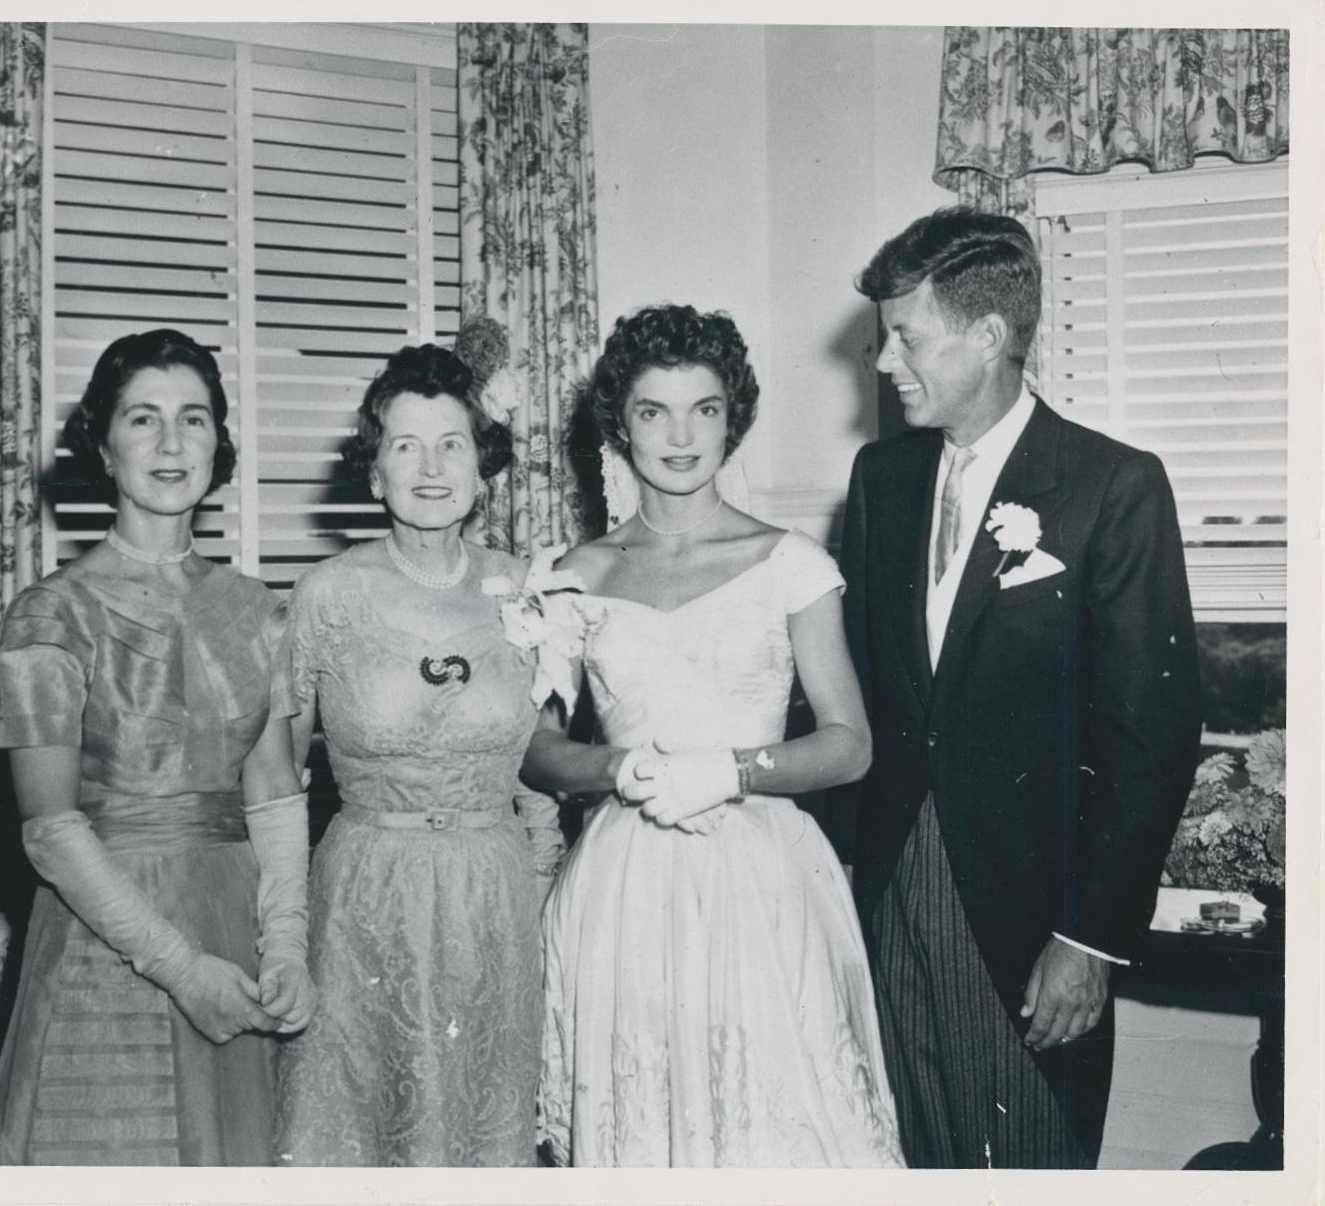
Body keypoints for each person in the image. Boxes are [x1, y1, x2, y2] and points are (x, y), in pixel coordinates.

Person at [842, 207, 1201, 1168]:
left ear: (989, 336)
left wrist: (1090, 937)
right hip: (889, 894)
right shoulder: (879, 479)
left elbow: (1151, 736)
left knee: (1028, 1154)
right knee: (908, 1150)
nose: (883, 363)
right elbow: (862, 699)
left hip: (1032, 914)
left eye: (904, 337)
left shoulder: (1113, 486)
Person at [524, 304, 904, 1168]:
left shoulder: (791, 562)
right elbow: (537, 750)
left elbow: (850, 743)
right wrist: (620, 769)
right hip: (626, 885)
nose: (681, 435)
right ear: (621, 423)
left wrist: (730, 770)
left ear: (734, 418)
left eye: (705, 409)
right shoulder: (573, 575)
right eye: (654, 411)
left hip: (762, 879)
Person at [0, 329, 315, 1165]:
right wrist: (181, 969)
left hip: (236, 930)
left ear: (218, 443)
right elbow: (50, 828)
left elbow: (273, 793)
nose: (170, 443)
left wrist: (291, 946)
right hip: (107, 939)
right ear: (102, 444)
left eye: (193, 420)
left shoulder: (261, 611)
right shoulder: (48, 615)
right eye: (142, 419)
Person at [272, 343, 564, 1166]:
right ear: (374, 473)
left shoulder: (525, 589)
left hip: (496, 895)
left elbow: (542, 769)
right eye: (405, 446)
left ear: (484, 465)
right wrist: (284, 932)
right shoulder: (326, 593)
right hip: (364, 893)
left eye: (452, 444)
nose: (431, 467)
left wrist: (537, 891)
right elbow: (280, 780)